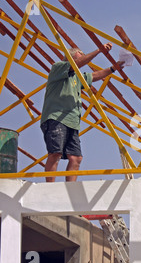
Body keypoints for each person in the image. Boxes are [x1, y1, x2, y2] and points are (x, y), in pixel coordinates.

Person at [41, 43, 124, 182]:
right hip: (56, 117)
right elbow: (76, 64)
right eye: (80, 58)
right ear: (70, 58)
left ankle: (70, 188)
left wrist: (113, 68)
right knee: (55, 153)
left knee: (76, 158)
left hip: (72, 121)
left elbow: (95, 75)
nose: (82, 62)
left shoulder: (77, 77)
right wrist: (99, 50)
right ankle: (50, 187)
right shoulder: (58, 68)